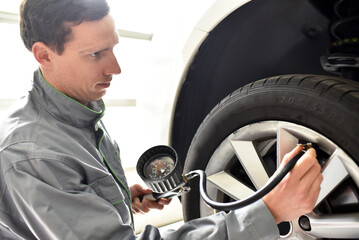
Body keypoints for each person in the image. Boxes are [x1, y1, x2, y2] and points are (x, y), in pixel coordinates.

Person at [0, 0, 323, 239]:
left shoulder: (72, 110)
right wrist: (268, 213)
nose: (115, 68)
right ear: (44, 55)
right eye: (95, 54)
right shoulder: (32, 155)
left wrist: (111, 198)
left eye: (112, 48)